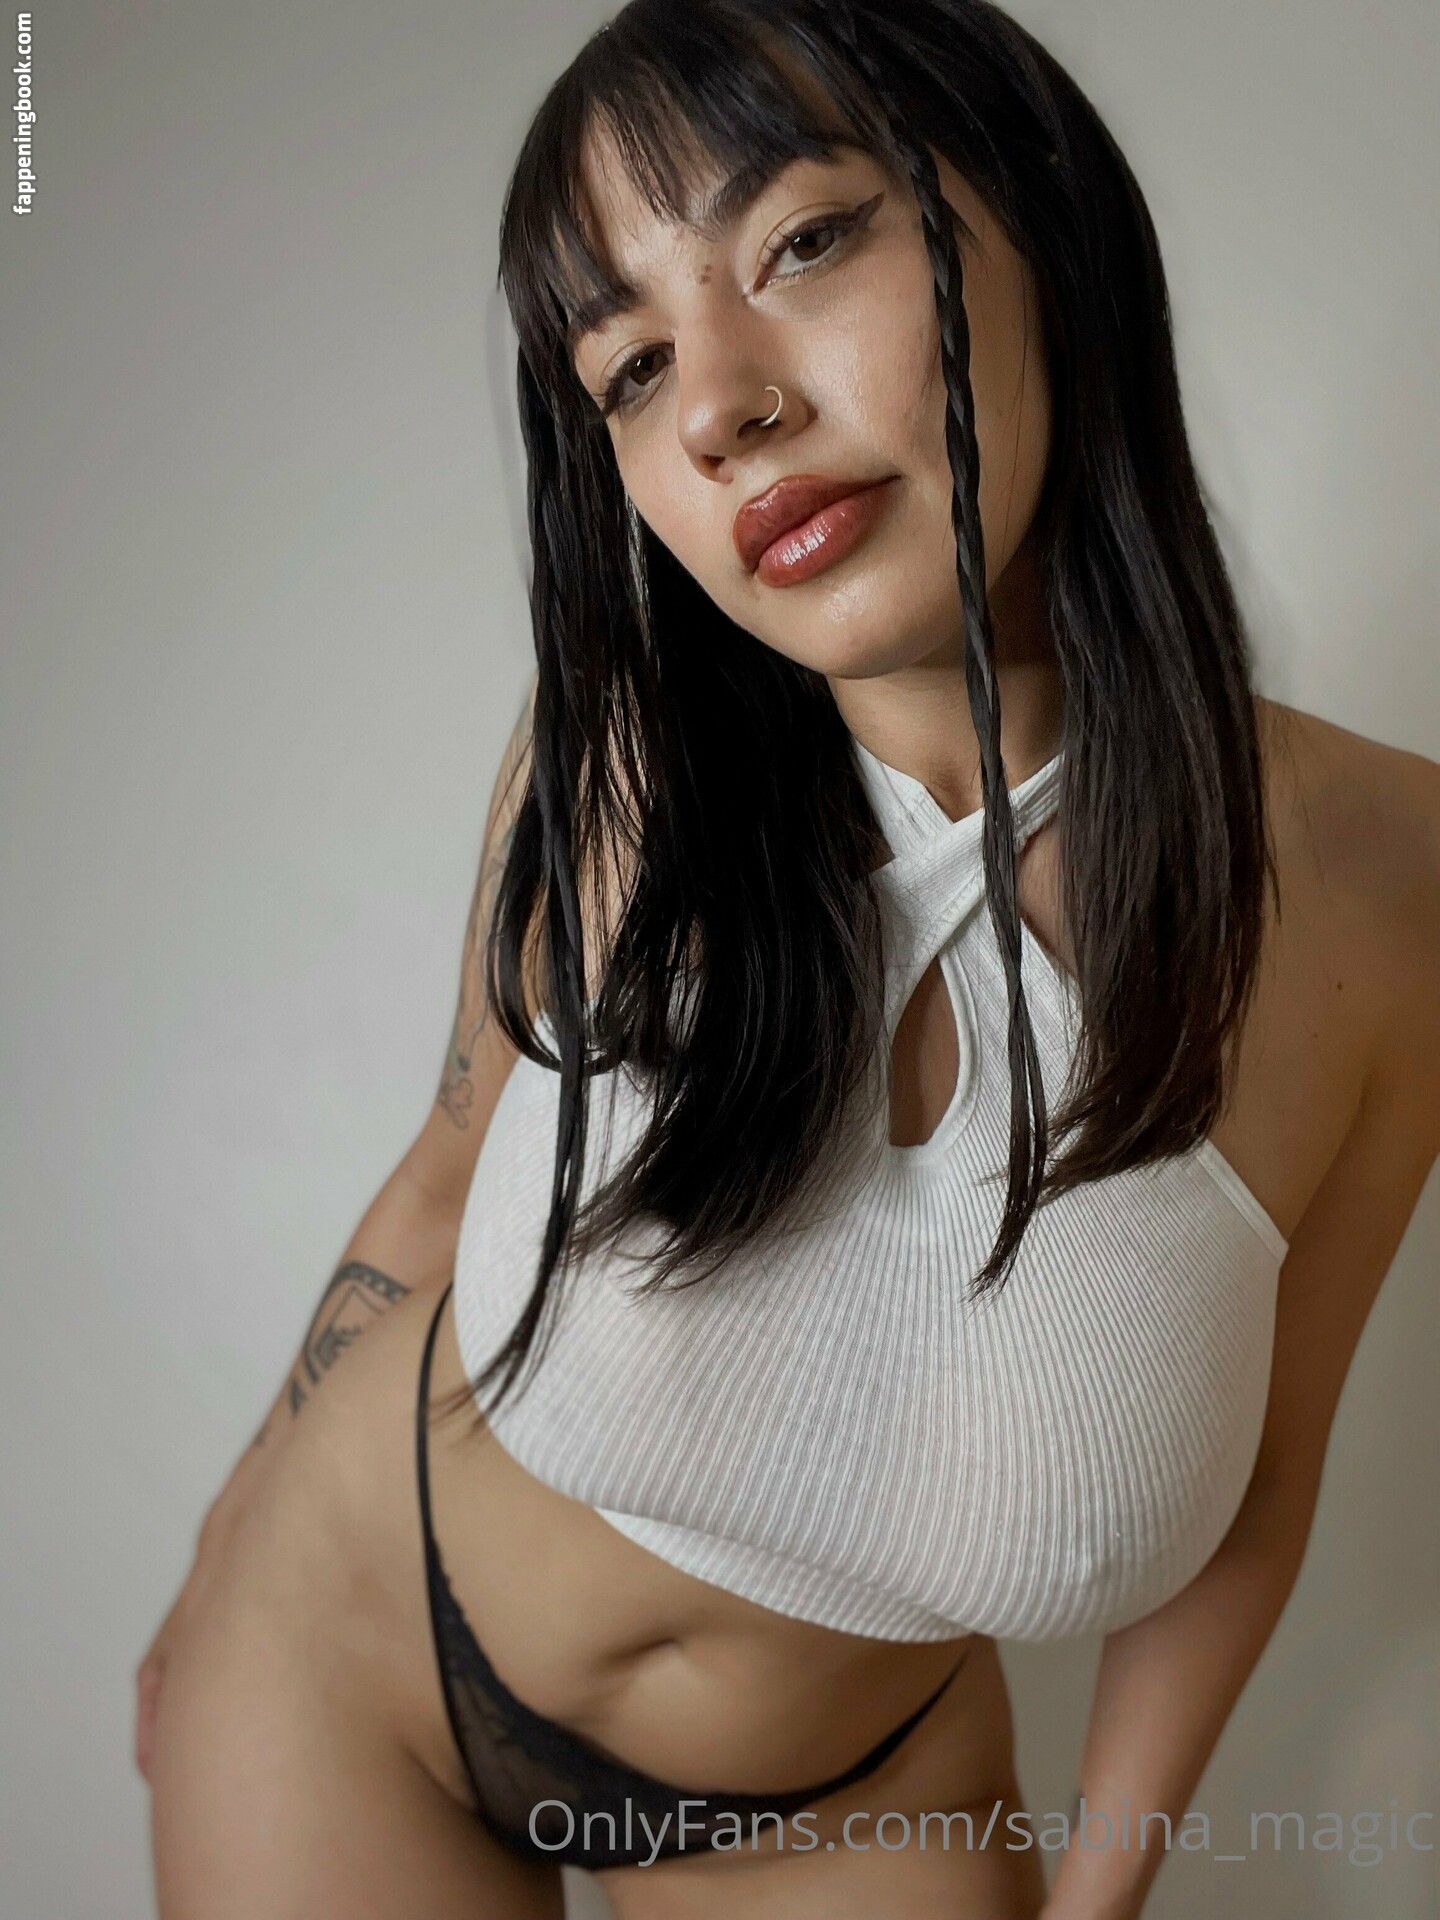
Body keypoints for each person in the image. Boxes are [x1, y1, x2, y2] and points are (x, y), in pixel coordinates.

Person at [137, 2, 1440, 1916]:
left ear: (1041, 217)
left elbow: (1259, 1483)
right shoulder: (613, 764)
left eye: (806, 240)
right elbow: (442, 1167)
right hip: (347, 1650)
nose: (720, 408)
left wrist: (1101, 1903)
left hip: (846, 1812)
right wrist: (226, 1534)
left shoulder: (1390, 887)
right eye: (631, 365)